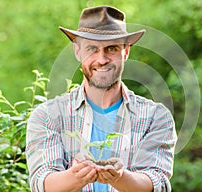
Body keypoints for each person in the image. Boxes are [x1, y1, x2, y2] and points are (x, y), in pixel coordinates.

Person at [26, 5, 177, 192]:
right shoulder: (47, 115)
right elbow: (42, 182)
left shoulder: (155, 116)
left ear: (126, 51)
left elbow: (157, 182)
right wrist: (75, 176)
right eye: (91, 49)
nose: (102, 58)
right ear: (77, 51)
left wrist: (120, 178)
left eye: (111, 48)